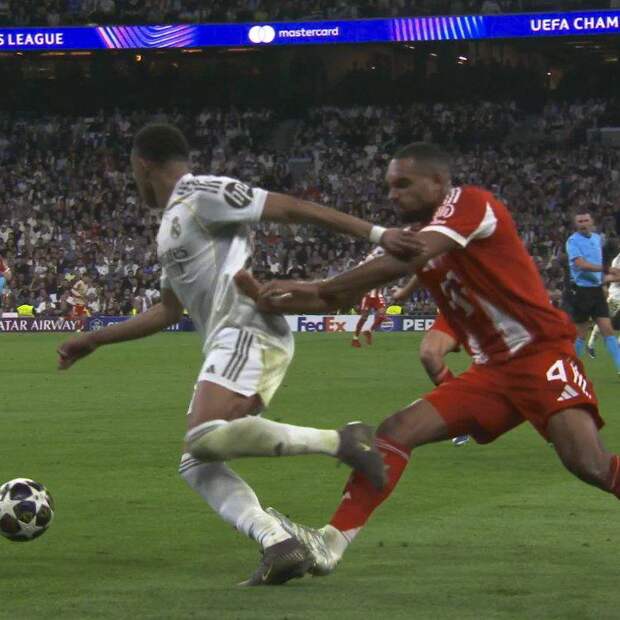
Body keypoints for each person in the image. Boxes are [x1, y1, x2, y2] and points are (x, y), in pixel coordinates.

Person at [56, 123, 422, 586]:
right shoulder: (171, 225)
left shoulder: (200, 193)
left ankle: (343, 442)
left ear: (142, 164)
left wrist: (378, 234)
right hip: (227, 341)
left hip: (248, 330)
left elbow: (291, 208)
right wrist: (94, 339)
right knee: (197, 461)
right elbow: (168, 311)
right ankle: (278, 542)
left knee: (203, 438)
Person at [236, 142, 620, 578]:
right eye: (389, 186)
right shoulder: (411, 237)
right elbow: (336, 294)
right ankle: (329, 543)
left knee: (589, 464)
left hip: (539, 353)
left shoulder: (471, 204)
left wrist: (319, 288)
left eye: (403, 184)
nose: (393, 194)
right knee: (397, 430)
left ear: (438, 182)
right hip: (492, 371)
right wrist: (271, 296)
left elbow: (404, 258)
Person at [394, 275, 469, 446]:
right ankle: (461, 415)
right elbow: (425, 264)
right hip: (458, 307)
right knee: (429, 353)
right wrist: (405, 292)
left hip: (494, 307)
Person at [565, 213, 620, 375]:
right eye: (580, 221)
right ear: (575, 224)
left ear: (592, 222)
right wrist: (607, 269)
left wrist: (610, 278)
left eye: (586, 220)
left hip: (596, 290)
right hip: (581, 291)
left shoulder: (596, 239)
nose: (583, 224)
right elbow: (580, 264)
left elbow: (597, 272)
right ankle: (570, 369)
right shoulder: (573, 241)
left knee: (608, 330)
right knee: (581, 333)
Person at [587, 247, 620, 356]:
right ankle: (591, 344)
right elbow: (615, 277)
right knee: (604, 320)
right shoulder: (617, 260)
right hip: (616, 296)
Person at [351, 248, 387, 348]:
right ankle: (355, 338)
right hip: (367, 295)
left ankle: (369, 331)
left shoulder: (380, 266)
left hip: (377, 294)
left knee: (382, 314)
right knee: (364, 317)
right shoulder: (363, 266)